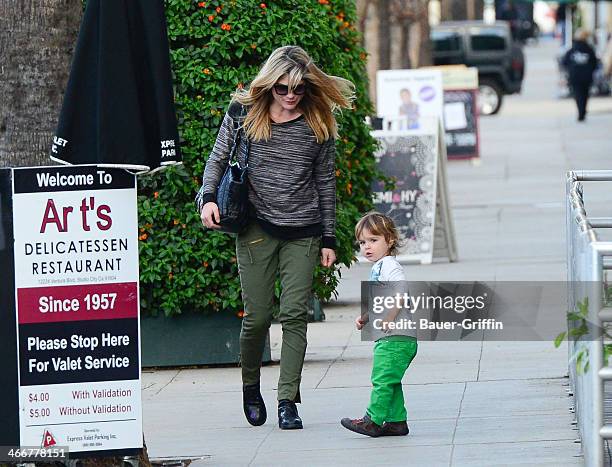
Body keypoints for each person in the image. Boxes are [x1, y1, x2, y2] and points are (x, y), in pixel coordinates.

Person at [199, 46, 354, 430]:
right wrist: (206, 199)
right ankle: (251, 384)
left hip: (303, 230)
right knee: (257, 318)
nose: (289, 96)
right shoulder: (244, 114)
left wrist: (329, 238)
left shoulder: (319, 123)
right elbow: (217, 160)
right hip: (255, 227)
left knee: (295, 315)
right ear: (269, 84)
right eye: (282, 88)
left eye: (298, 89)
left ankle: (288, 400)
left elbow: (324, 184)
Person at [341, 212, 418, 437]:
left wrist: (389, 317)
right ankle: (396, 421)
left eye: (374, 241)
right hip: (392, 338)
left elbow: (400, 292)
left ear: (390, 241)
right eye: (363, 242)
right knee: (391, 380)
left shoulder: (390, 266)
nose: (367, 247)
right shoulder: (380, 267)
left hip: (396, 337)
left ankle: (372, 420)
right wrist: (365, 317)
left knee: (382, 379)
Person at [562, 29, 597, 122]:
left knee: (578, 94)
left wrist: (570, 70)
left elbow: (564, 62)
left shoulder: (572, 49)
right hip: (587, 76)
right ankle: (583, 111)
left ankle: (580, 111)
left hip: (575, 76)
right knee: (585, 94)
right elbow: (595, 63)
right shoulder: (590, 49)